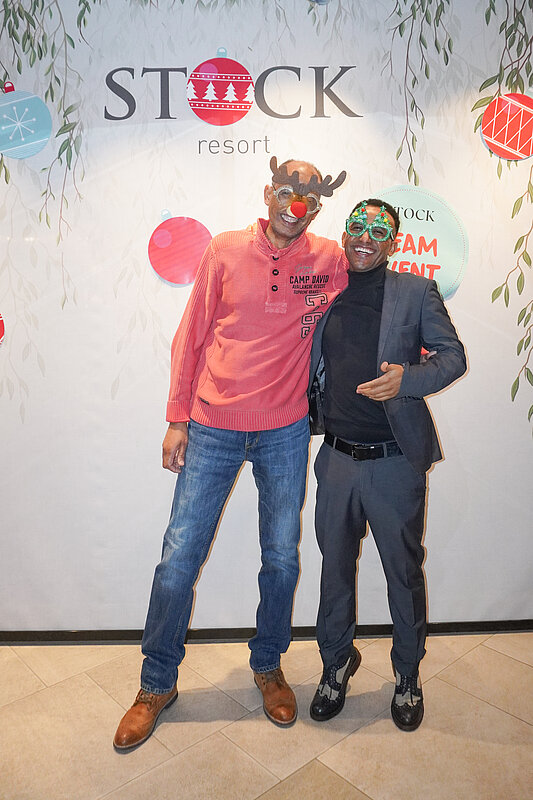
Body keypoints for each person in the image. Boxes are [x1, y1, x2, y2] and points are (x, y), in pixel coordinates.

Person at [113, 157, 348, 750]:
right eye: (288, 192)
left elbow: (370, 301)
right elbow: (190, 335)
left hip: (285, 429)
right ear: (269, 192)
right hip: (212, 424)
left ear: (318, 208)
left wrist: (414, 343)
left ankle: (268, 665)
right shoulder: (223, 249)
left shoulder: (329, 260)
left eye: (309, 200)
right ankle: (156, 683)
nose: (297, 206)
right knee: (178, 559)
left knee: (282, 559)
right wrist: (176, 419)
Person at [307, 198, 466, 731]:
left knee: (402, 573)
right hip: (336, 460)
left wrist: (408, 379)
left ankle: (407, 674)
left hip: (395, 461)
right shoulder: (324, 288)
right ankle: (335, 663)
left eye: (379, 230)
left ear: (394, 242)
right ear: (345, 233)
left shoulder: (415, 291)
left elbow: (453, 356)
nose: (366, 237)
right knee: (334, 570)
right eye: (358, 226)